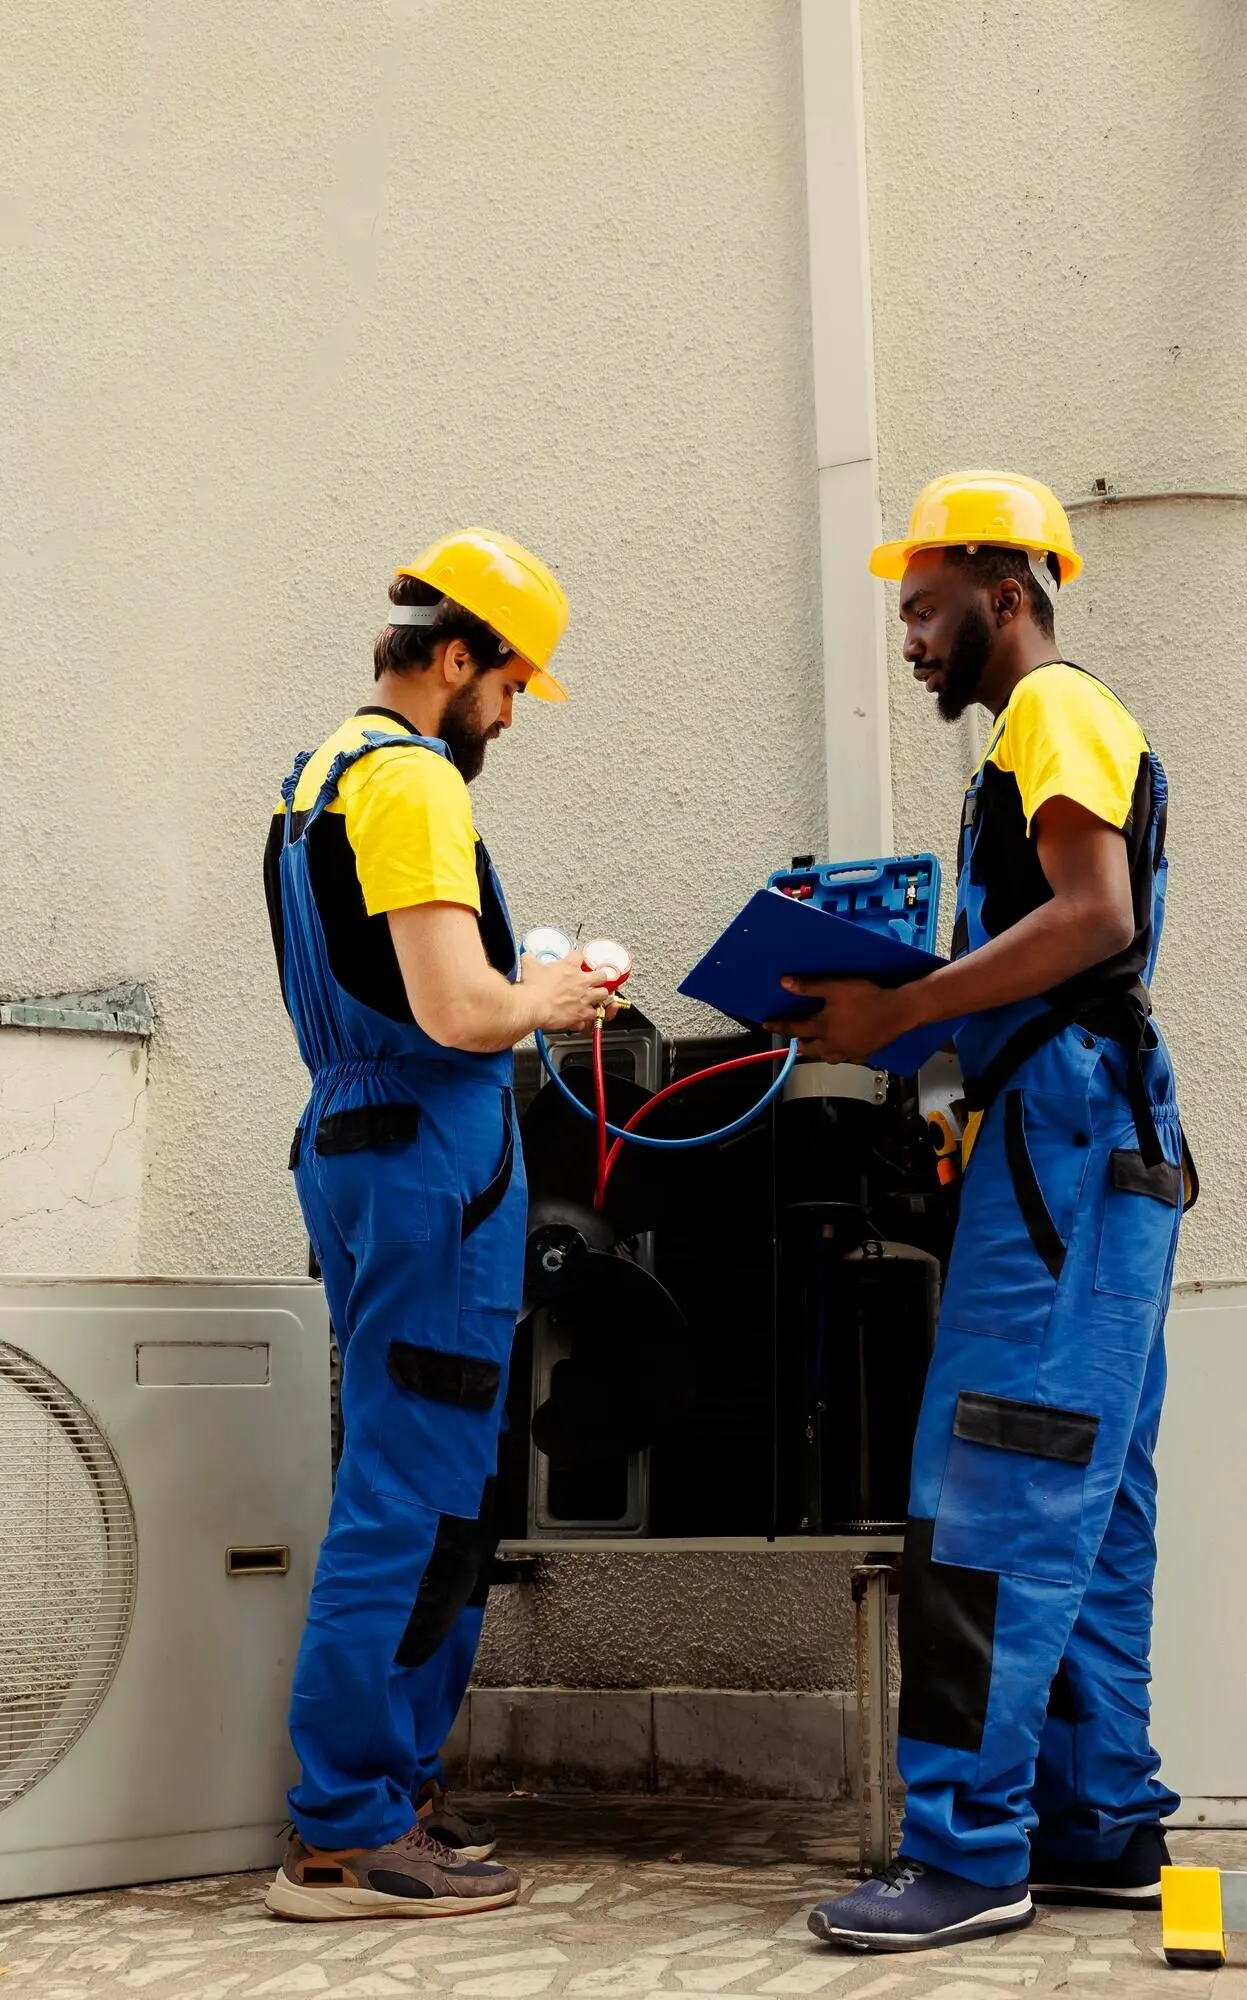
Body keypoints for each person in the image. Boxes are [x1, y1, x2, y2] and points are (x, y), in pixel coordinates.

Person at [772, 473, 1196, 1954]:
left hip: (1070, 1142)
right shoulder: (1033, 736)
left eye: (926, 604)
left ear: (1006, 594)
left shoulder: (1055, 713)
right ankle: (1097, 1823)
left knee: (995, 1487)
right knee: (1090, 1498)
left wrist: (907, 1003)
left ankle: (965, 1854)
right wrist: (885, 1024)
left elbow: (1096, 918)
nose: (910, 635)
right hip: (1092, 1137)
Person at [261, 529, 614, 1921]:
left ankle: (390, 1799)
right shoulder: (409, 785)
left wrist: (502, 988)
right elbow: (457, 1012)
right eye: (514, 684)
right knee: (412, 1501)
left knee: (428, 1495)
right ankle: (346, 1828)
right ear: (456, 657)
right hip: (426, 1160)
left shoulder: (317, 776)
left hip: (362, 1144)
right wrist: (560, 998)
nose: (513, 717)